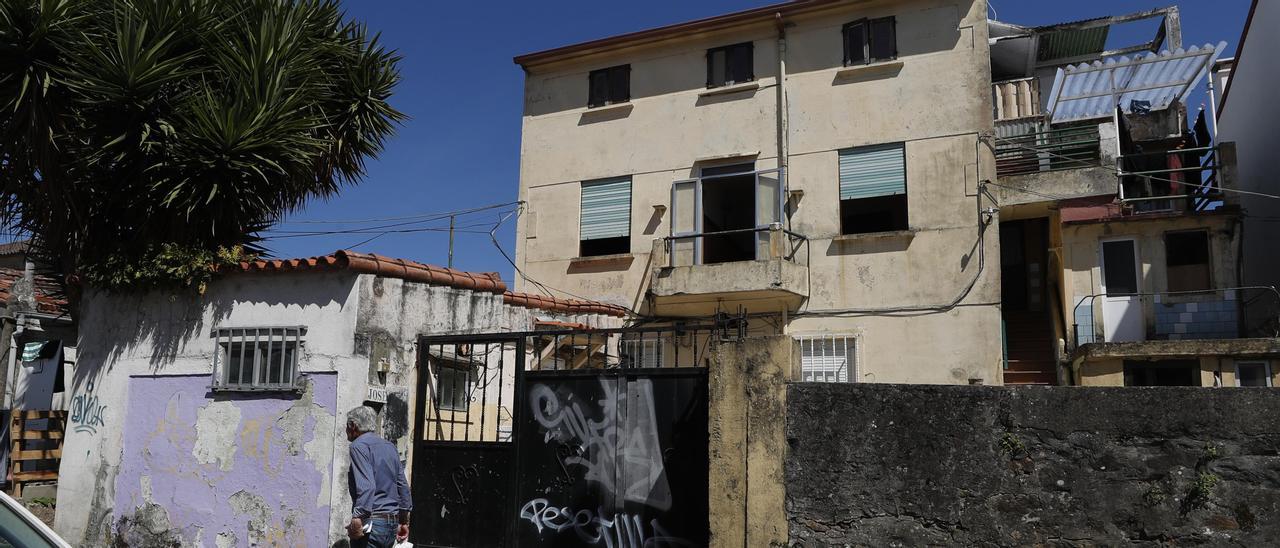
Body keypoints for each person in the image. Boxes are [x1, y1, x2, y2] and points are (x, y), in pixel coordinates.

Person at [345, 406, 412, 547]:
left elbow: (367, 486)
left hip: (372, 523)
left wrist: (357, 517)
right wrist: (403, 520)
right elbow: (402, 485)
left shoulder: (358, 446)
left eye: (347, 425)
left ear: (353, 426)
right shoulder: (389, 446)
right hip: (391, 523)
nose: (346, 430)